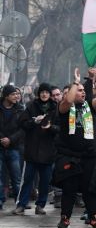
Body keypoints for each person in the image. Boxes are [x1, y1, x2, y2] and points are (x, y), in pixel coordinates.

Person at [54, 68, 96, 228]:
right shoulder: (64, 107)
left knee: (90, 188)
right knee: (69, 189)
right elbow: (68, 101)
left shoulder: (90, 106)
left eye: (84, 90)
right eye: (79, 91)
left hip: (90, 155)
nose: (82, 93)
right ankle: (65, 218)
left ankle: (93, 217)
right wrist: (76, 82)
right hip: (70, 155)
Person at [14, 83, 58, 215]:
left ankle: (40, 205)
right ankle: (22, 204)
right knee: (28, 179)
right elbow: (22, 123)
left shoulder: (55, 108)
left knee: (45, 181)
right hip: (32, 149)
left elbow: (60, 128)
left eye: (46, 92)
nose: (44, 94)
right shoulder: (31, 106)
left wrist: (50, 127)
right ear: (38, 93)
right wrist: (34, 122)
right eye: (42, 92)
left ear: (50, 94)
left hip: (48, 150)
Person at [0, 84, 25, 210]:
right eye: (13, 94)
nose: (16, 96)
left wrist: (10, 139)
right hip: (0, 146)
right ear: (6, 96)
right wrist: (2, 139)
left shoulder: (20, 110)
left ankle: (19, 201)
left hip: (14, 147)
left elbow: (23, 129)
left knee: (16, 177)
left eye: (17, 94)